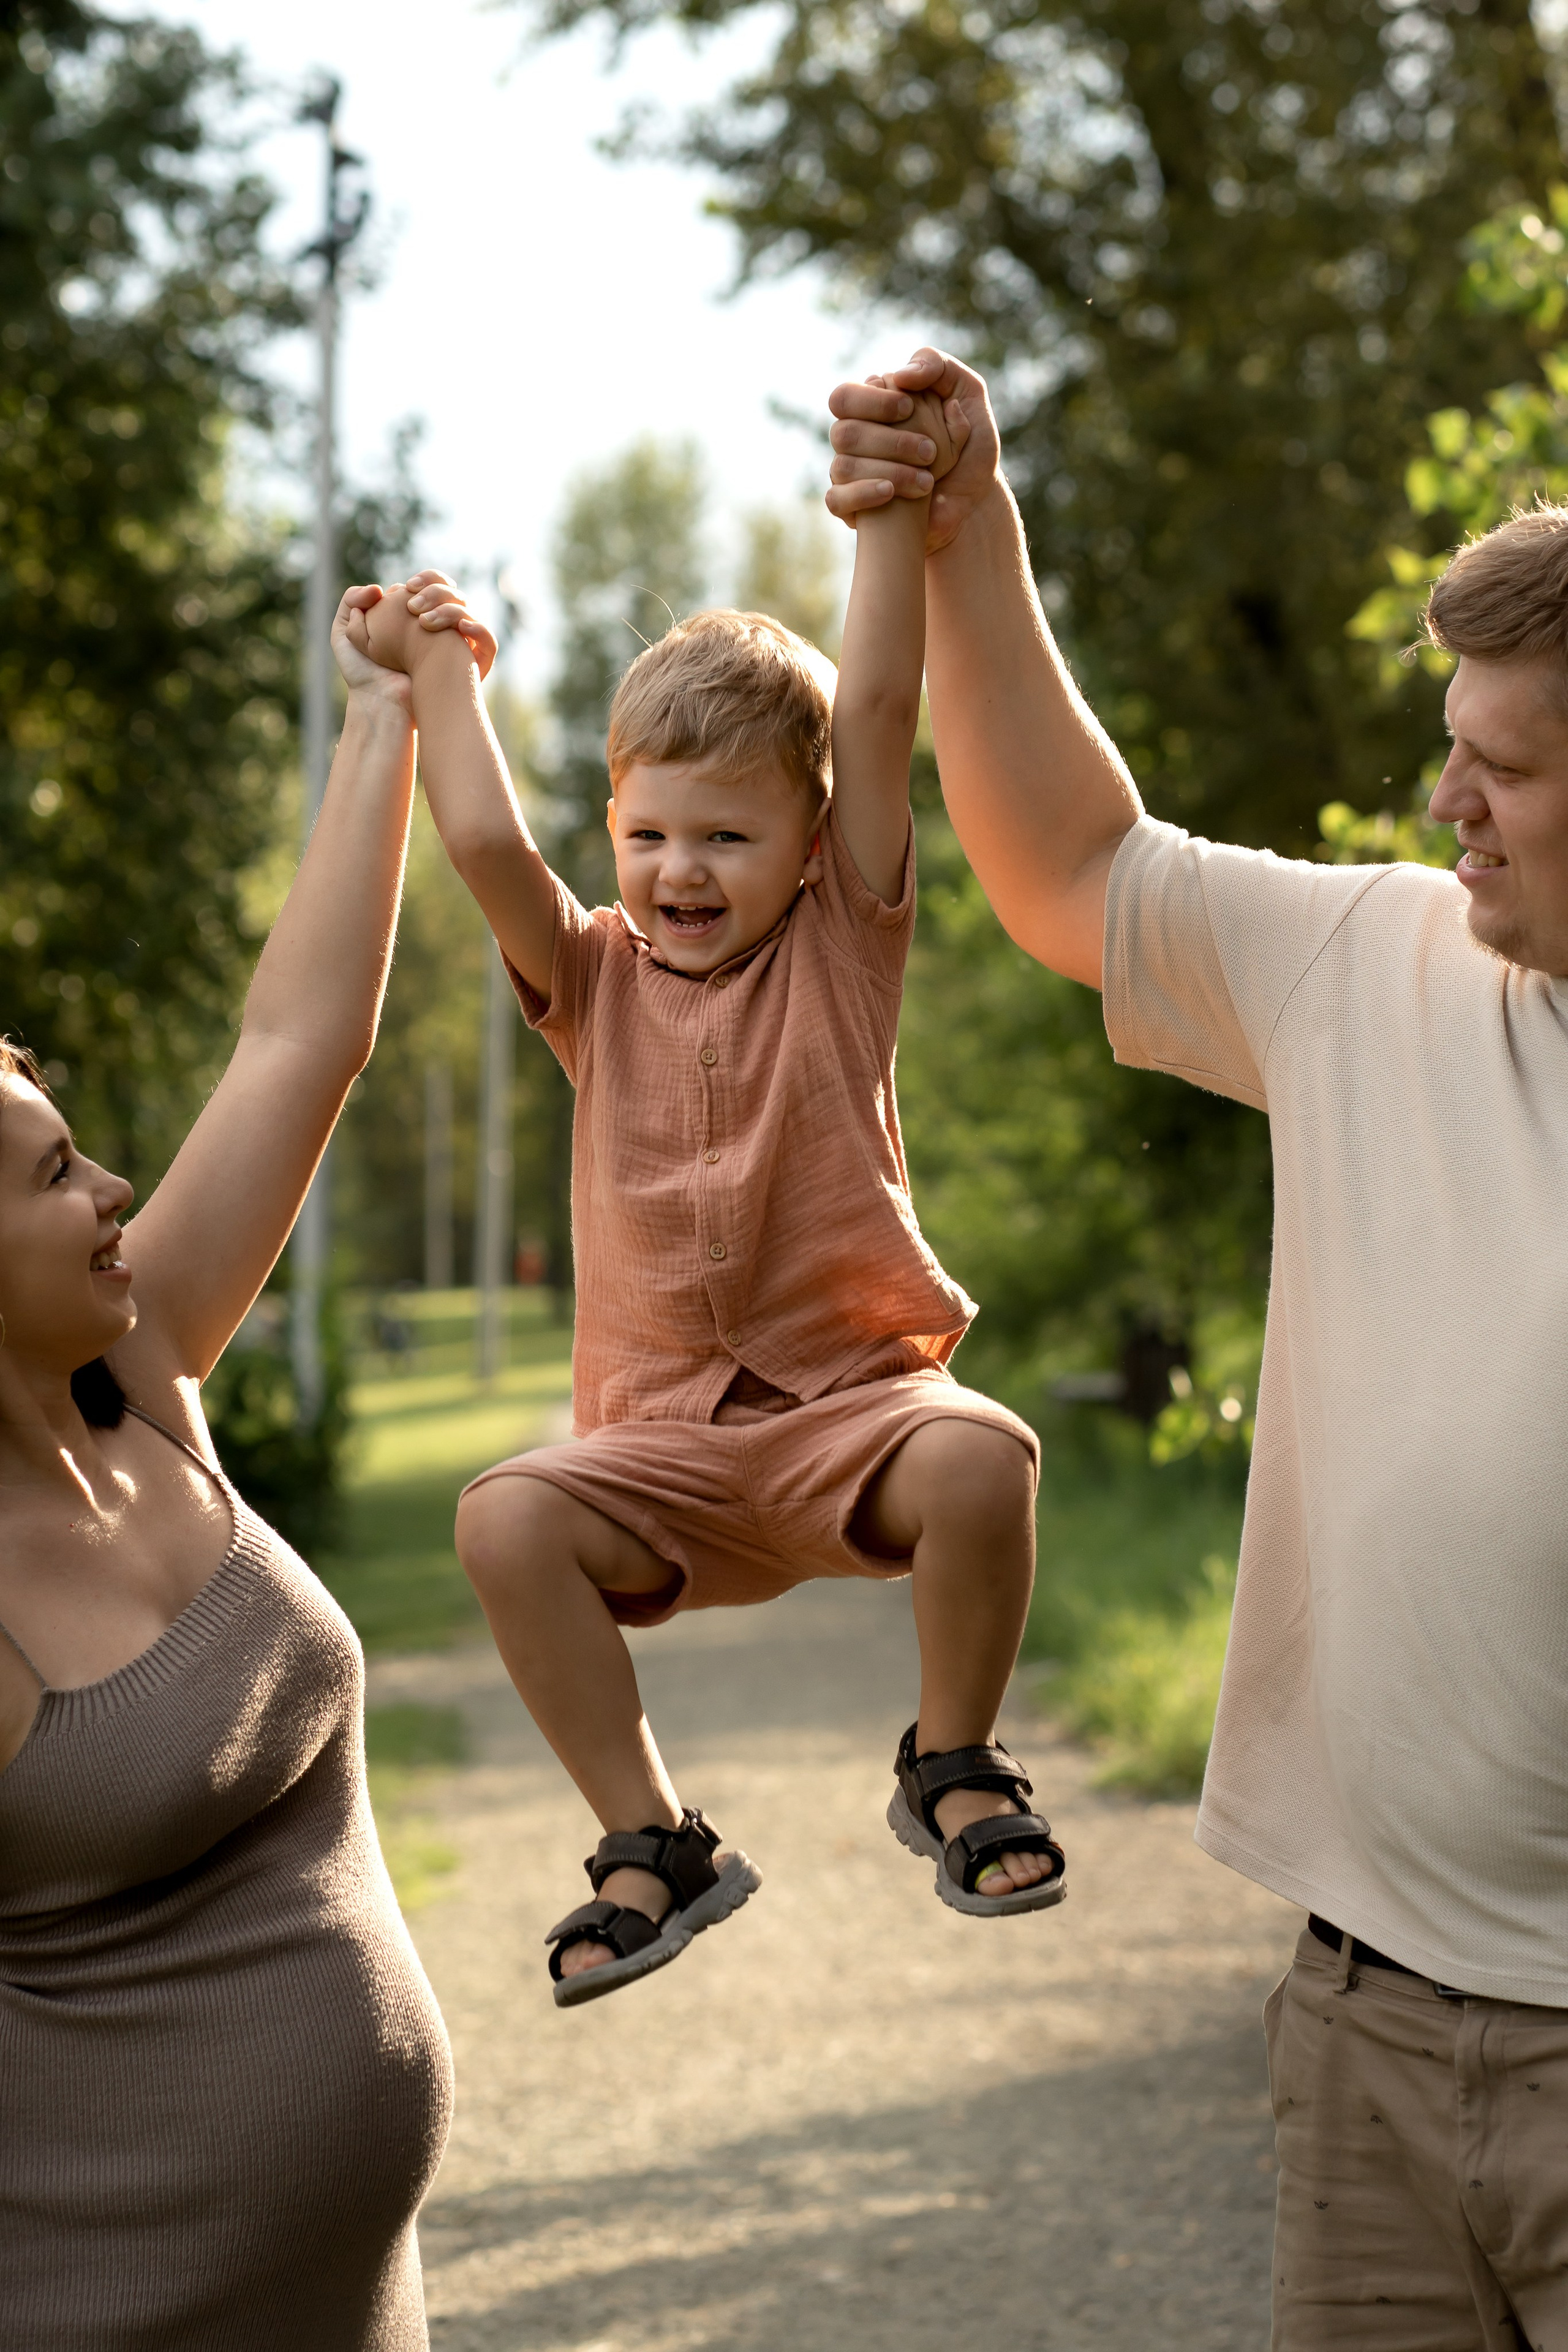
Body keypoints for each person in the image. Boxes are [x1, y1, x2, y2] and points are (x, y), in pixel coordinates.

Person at [826, 349, 1568, 2350]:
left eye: (1506, 765)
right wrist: (971, 528)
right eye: (1449, 744)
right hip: (1371, 2025)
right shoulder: (1372, 970)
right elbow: (1068, 867)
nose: (1446, 801)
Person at [360, 388, 1066, 2011]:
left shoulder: (843, 945)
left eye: (729, 836)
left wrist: (885, 510)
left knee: (989, 1459)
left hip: (850, 1419)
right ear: (612, 827)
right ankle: (655, 1841)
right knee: (501, 1517)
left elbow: (878, 701)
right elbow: (476, 835)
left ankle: (953, 1760)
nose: (680, 871)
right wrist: (434, 672)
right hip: (660, 1451)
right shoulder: (592, 984)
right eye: (648, 832)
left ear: (815, 842)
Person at [0, 581, 466, 2349]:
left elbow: (300, 1040)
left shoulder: (135, 1373)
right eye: (53, 1178)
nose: (113, 1187)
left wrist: (378, 718)